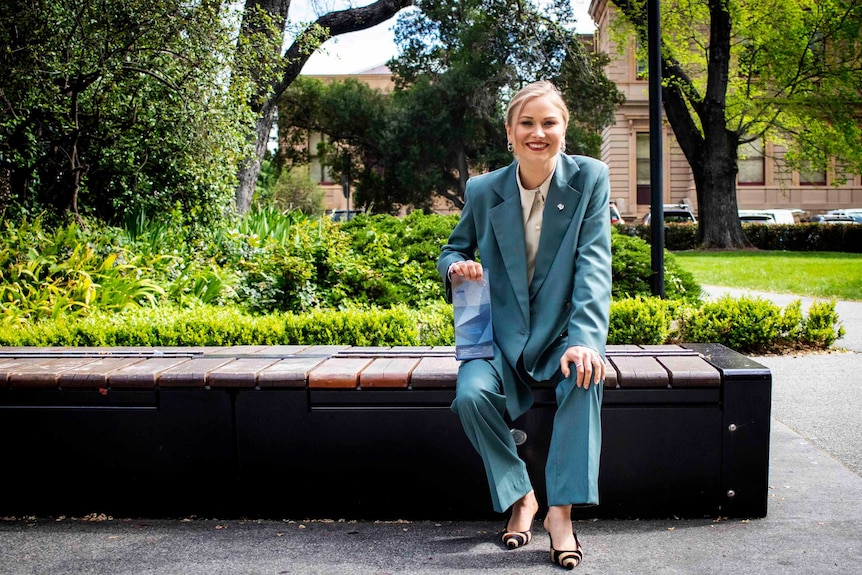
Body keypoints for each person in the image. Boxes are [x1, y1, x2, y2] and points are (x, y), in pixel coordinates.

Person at [437, 80, 611, 570]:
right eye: (527, 124)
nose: (539, 132)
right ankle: (521, 495)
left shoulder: (591, 179)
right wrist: (455, 268)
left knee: (586, 374)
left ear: (564, 129)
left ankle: (560, 512)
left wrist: (584, 342)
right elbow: (454, 247)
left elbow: (594, 264)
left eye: (549, 123)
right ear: (510, 133)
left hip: (560, 337)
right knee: (470, 395)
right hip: (496, 340)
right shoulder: (483, 189)